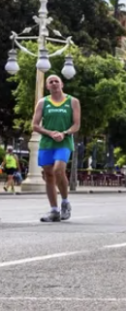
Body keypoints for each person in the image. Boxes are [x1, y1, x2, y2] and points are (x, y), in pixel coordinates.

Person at [34, 75, 80, 223]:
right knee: (49, 175)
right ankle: (54, 210)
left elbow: (76, 125)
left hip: (64, 142)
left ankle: (65, 202)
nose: (54, 84)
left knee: (58, 170)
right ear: (47, 86)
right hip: (47, 143)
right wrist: (50, 133)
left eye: (56, 81)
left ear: (62, 84)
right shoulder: (43, 102)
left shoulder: (72, 101)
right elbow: (35, 125)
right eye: (51, 82)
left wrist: (64, 133)